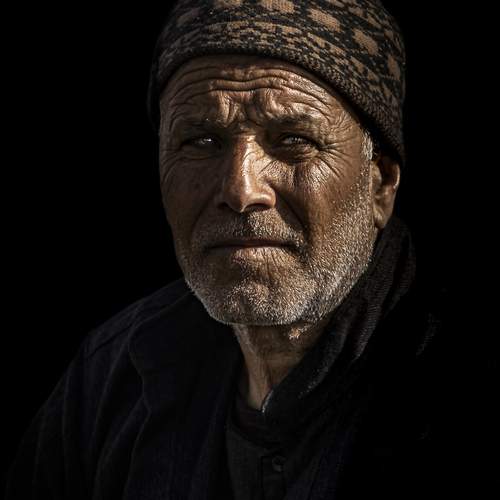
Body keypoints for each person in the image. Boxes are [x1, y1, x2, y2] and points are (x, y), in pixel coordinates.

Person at [6, 1, 497, 499]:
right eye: (202, 141)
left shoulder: (464, 383)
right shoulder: (114, 379)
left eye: (293, 140)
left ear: (380, 183)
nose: (241, 190)